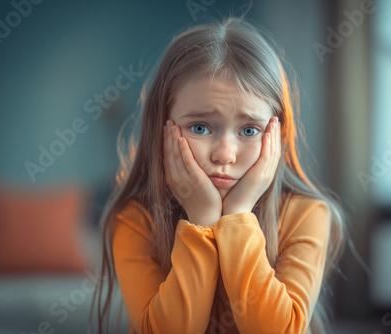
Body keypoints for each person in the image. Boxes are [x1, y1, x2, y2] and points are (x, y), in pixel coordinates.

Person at [89, 15, 347, 334]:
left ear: (276, 136)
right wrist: (202, 220)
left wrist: (236, 216)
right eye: (200, 127)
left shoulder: (306, 214)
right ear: (162, 129)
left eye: (249, 130)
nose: (224, 154)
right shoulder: (135, 220)